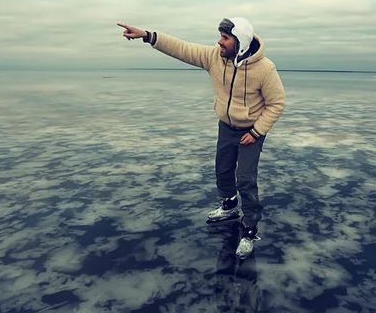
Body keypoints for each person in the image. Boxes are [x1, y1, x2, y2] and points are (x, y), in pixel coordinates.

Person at [117, 18, 285, 258]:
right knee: (223, 169)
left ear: (241, 41)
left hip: (251, 131)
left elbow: (276, 104)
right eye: (221, 36)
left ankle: (249, 230)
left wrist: (257, 131)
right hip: (226, 126)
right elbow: (182, 48)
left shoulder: (265, 69)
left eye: (226, 38)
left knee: (245, 180)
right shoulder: (213, 57)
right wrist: (147, 35)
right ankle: (229, 207)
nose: (220, 42)